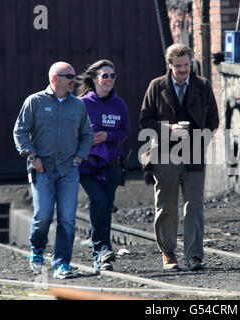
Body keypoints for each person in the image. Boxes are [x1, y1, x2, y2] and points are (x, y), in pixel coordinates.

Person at [139, 43, 219, 271]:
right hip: (165, 154)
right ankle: (168, 253)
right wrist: (169, 130)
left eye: (187, 65)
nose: (184, 70)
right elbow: (145, 121)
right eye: (179, 66)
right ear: (170, 65)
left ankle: (194, 256)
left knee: (194, 205)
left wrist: (198, 140)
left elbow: (213, 121)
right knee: (166, 205)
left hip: (194, 153)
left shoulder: (202, 86)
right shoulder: (157, 86)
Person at [13, 62, 93, 279]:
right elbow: (20, 131)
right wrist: (32, 157)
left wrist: (79, 158)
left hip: (69, 170)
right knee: (43, 216)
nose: (74, 81)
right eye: (70, 77)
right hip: (43, 170)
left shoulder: (78, 105)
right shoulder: (35, 101)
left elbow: (87, 134)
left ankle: (62, 264)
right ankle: (37, 248)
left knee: (67, 219)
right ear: (55, 78)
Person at [77, 60, 130, 271]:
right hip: (87, 166)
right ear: (94, 79)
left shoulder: (120, 104)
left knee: (106, 206)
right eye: (105, 75)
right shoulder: (81, 104)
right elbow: (72, 132)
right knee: (98, 200)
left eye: (112, 75)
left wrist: (107, 135)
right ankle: (101, 251)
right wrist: (89, 138)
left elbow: (125, 132)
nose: (109, 79)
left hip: (112, 165)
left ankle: (103, 254)